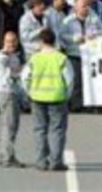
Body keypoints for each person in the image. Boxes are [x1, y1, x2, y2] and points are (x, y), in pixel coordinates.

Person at [22, 29, 74, 171]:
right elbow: (69, 80)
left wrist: (30, 93)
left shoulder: (34, 58)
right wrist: (66, 96)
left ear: (41, 41)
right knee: (57, 130)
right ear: (54, 41)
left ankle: (41, 161)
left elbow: (25, 77)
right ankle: (56, 161)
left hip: (37, 98)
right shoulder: (61, 58)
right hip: (57, 97)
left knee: (40, 129)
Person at [0, 31, 25, 168]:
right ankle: (6, 158)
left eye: (13, 41)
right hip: (7, 93)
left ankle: (8, 155)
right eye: (8, 41)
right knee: (9, 126)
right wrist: (24, 70)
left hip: (14, 92)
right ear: (3, 42)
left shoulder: (15, 56)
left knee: (11, 126)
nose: (11, 44)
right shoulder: (3, 56)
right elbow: (12, 73)